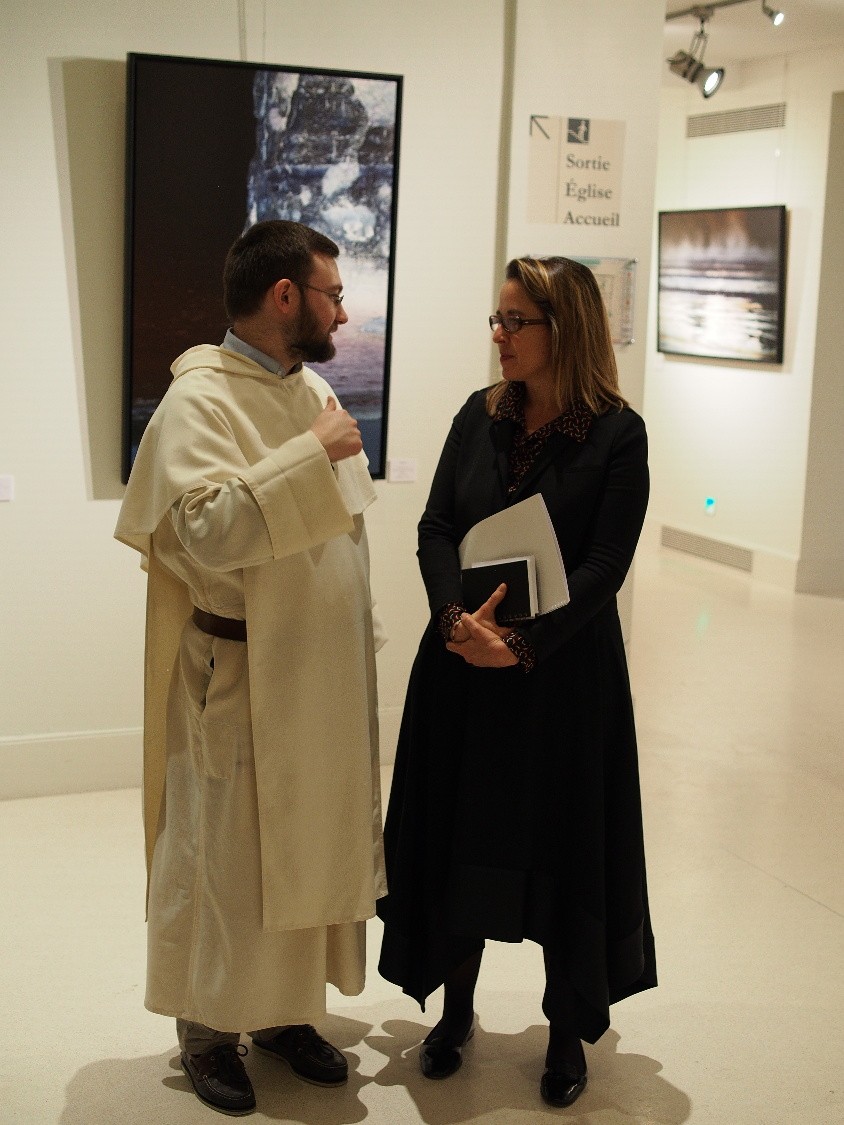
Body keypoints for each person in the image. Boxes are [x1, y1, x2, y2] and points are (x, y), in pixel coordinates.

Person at [115, 220, 387, 1117]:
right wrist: (312, 453)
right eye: (333, 294)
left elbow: (341, 532)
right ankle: (206, 1027)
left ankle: (281, 1013)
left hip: (317, 672)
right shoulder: (200, 399)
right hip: (235, 672)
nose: (341, 313)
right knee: (224, 858)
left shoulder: (310, 388)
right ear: (284, 296)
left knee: (302, 848)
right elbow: (205, 530)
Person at [376, 255, 656, 1109]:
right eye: (496, 319)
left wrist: (524, 646)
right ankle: (455, 1011)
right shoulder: (479, 414)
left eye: (515, 320)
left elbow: (605, 565)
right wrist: (453, 620)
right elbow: (435, 526)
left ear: (561, 329)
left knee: (562, 845)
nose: (499, 334)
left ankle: (565, 1030)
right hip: (463, 665)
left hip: (562, 681)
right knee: (461, 832)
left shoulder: (617, 434)